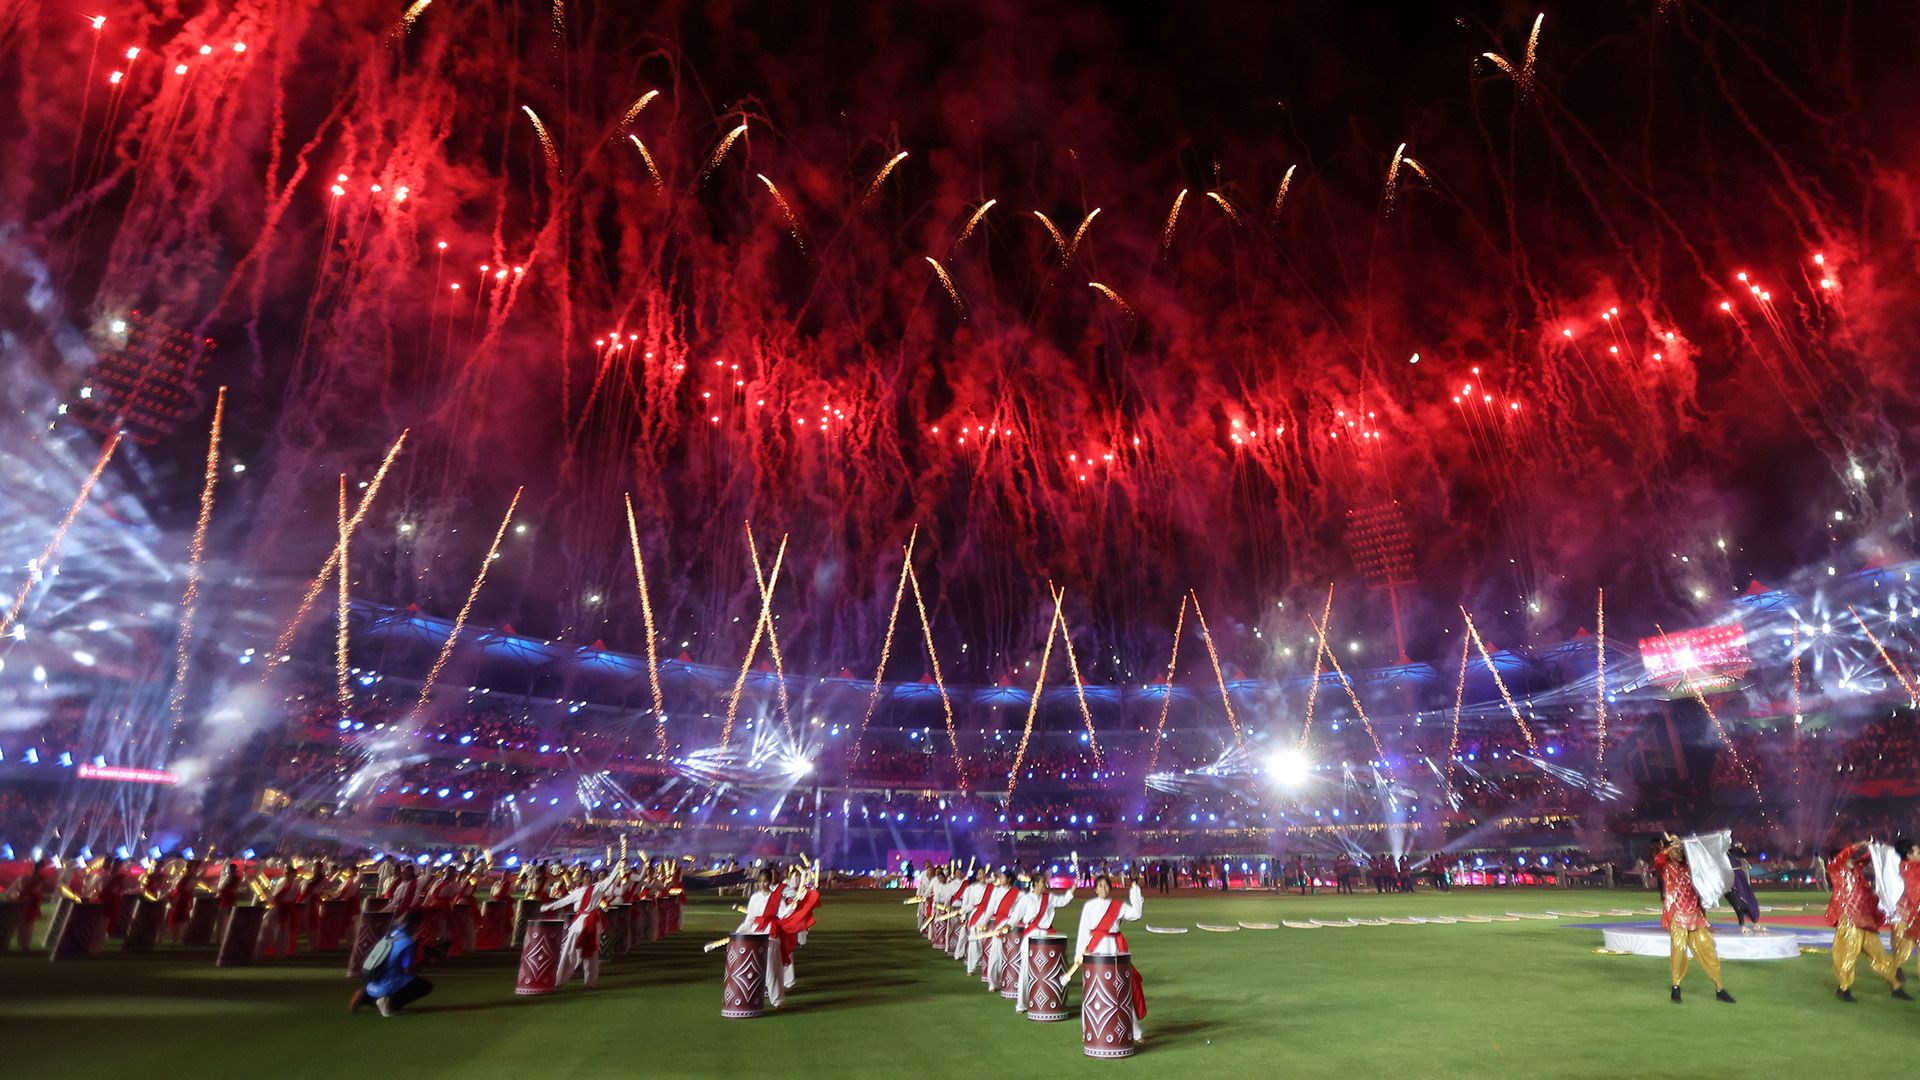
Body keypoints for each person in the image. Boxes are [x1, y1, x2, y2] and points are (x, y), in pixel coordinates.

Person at [1653, 837, 1735, 1004]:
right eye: (1676, 851)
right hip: (1677, 914)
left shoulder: (1693, 868)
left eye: (1681, 850)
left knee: (1708, 949)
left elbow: (1708, 860)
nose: (1679, 853)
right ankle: (1676, 987)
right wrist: (1671, 847)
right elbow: (1658, 860)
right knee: (1678, 950)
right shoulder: (1666, 867)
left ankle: (1719, 988)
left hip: (1694, 915)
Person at [1825, 841, 1907, 1002]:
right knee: (1846, 956)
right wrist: (1857, 845)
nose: (1851, 859)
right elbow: (1842, 857)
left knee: (1880, 955)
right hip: (1849, 921)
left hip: (1864, 920)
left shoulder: (1855, 870)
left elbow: (1867, 859)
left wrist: (1876, 849)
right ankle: (1843, 989)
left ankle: (1895, 986)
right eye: (1848, 856)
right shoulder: (1835, 869)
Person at [1073, 873, 1146, 1041]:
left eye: (1106, 886)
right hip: (1094, 950)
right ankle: (1088, 1031)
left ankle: (1135, 1032)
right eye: (1100, 886)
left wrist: (1134, 891)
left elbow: (1136, 914)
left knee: (1121, 991)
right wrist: (1079, 953)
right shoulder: (1089, 906)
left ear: (1110, 888)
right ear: (1095, 889)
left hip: (1114, 950)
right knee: (1092, 991)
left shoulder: (1117, 906)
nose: (1103, 889)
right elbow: (1083, 930)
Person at [351, 910, 435, 1017]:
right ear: (415, 924)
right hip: (388, 982)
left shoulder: (392, 934)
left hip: (374, 979)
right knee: (424, 986)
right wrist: (426, 962)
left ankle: (365, 996)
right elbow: (408, 970)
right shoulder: (408, 942)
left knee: (403, 978)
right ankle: (389, 1003)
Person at [1012, 873, 1075, 1013]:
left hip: (1046, 937)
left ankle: (1048, 1000)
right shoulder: (1026, 899)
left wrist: (1072, 890)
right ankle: (1021, 1004)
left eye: (1045, 883)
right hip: (1031, 936)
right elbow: (1015, 917)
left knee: (1048, 970)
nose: (1045, 885)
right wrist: (1006, 926)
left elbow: (1063, 901)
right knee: (1025, 969)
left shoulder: (1049, 898)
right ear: (1035, 884)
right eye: (1042, 883)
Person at [1890, 839, 1920, 982]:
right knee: (1903, 948)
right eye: (1918, 852)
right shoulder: (1907, 869)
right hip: (1905, 915)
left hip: (1915, 914)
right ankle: (1894, 969)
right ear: (1909, 855)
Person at [1727, 846, 1762, 933]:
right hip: (1729, 878)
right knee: (1738, 902)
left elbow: (1746, 853)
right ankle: (1742, 926)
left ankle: (1755, 923)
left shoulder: (1733, 851)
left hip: (1739, 877)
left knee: (1748, 899)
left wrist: (1741, 847)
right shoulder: (1719, 853)